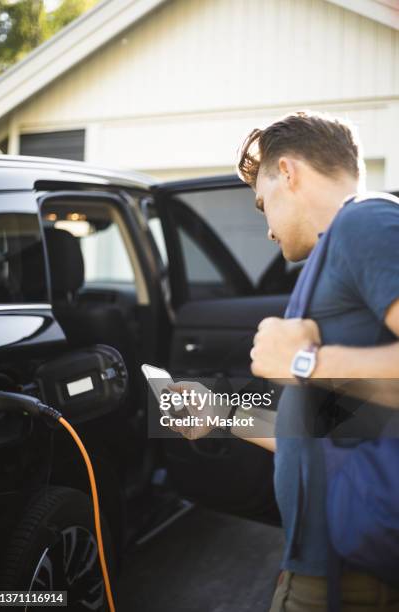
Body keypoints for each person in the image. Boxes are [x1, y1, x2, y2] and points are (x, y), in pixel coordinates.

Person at [166, 110, 399, 611]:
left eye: (261, 202)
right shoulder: (336, 253)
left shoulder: (366, 222)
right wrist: (221, 415)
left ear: (288, 173)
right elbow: (335, 424)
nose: (267, 228)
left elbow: (311, 367)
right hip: (321, 566)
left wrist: (303, 361)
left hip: (350, 579)